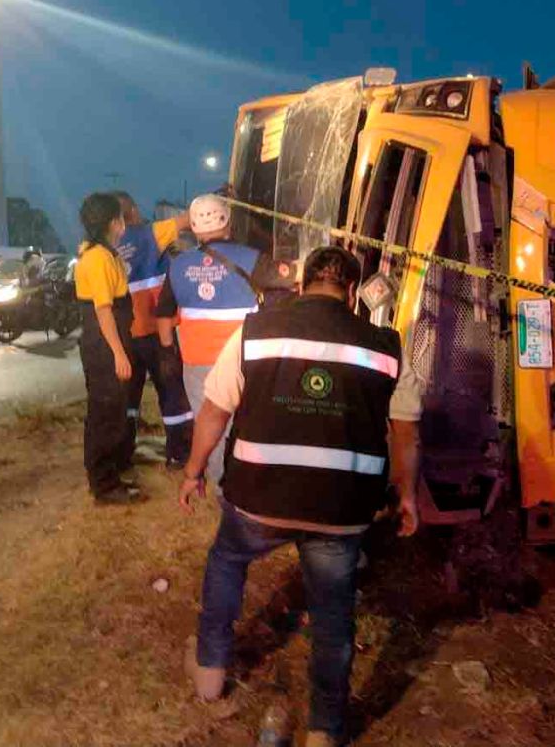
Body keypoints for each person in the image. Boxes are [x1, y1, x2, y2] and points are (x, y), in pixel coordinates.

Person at [179, 246, 422, 747]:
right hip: (341, 507)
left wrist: (193, 471)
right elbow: (407, 433)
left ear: (301, 285)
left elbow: (214, 411)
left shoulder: (255, 332)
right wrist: (407, 496)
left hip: (258, 497)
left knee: (227, 562)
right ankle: (324, 729)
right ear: (352, 293)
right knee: (332, 613)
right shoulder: (387, 347)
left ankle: (210, 673)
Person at [155, 194, 294, 486]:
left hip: (198, 364)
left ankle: (224, 487)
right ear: (228, 223)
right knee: (252, 422)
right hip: (244, 360)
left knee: (211, 425)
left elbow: (164, 317)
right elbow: (292, 277)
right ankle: (256, 482)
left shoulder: (178, 265)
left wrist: (168, 353)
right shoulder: (252, 258)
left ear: (193, 228)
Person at [112, 191, 194, 469]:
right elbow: (189, 219)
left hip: (125, 334)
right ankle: (179, 453)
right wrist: (217, 201)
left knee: (128, 397)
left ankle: (123, 452)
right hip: (157, 330)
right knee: (172, 392)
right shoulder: (149, 233)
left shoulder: (105, 247)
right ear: (133, 211)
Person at [73, 193, 144, 505]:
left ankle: (109, 473)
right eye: (121, 218)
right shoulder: (98, 258)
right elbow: (103, 311)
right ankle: (104, 485)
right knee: (106, 412)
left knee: (112, 410)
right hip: (103, 344)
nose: (124, 223)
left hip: (108, 338)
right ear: (113, 222)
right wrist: (118, 353)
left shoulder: (104, 253)